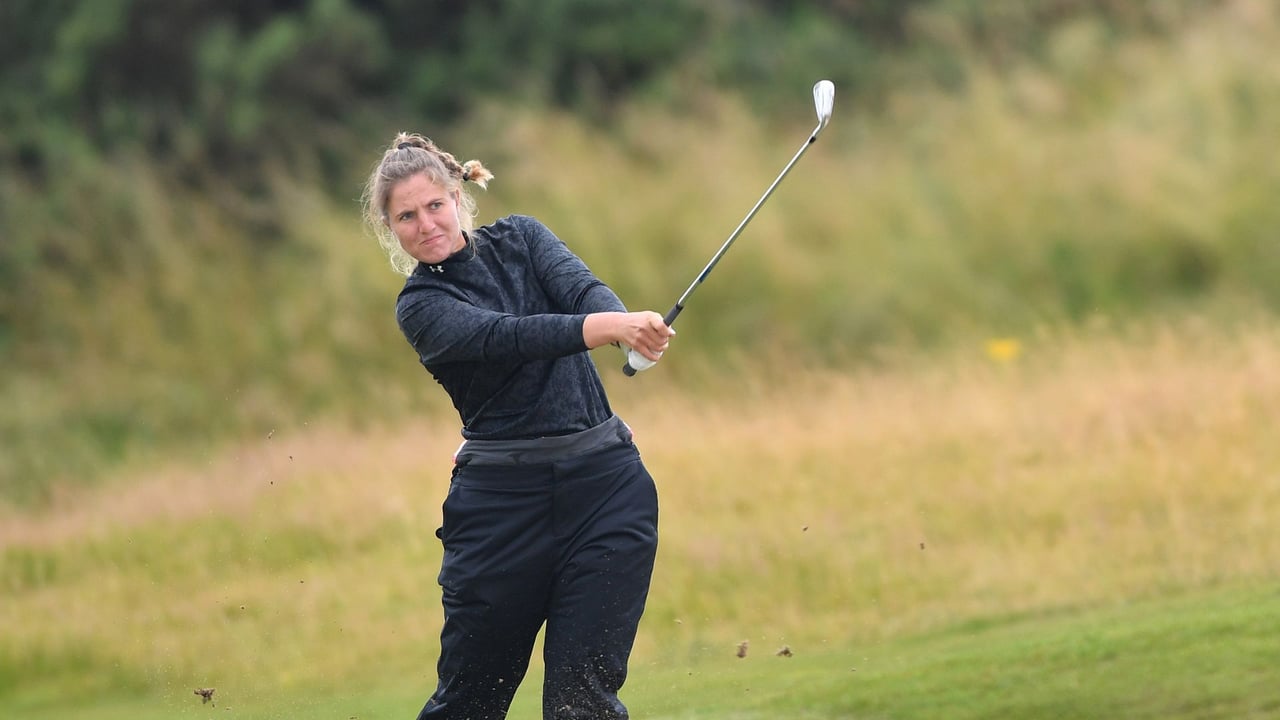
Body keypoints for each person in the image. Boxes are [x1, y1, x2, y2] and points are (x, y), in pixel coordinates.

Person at [361, 132, 675, 720]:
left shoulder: (523, 237)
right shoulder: (421, 307)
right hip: (500, 513)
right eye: (406, 216)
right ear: (390, 228)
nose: (426, 224)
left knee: (583, 702)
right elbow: (507, 338)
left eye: (434, 205)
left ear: (457, 195)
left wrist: (626, 321)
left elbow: (582, 292)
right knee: (471, 703)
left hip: (607, 489)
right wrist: (610, 329)